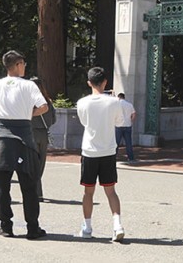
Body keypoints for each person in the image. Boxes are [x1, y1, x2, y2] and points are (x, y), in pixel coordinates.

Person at [0, 50, 48, 239]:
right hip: (23, 134)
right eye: (23, 64)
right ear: (17, 64)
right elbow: (44, 106)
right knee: (29, 184)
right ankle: (32, 227)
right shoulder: (29, 85)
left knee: (2, 186)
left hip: (3, 135)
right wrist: (27, 114)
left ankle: (6, 226)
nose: (25, 67)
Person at [76, 67, 126, 241]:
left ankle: (87, 227)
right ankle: (117, 225)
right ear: (105, 82)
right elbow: (120, 122)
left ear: (89, 83)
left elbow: (83, 122)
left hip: (89, 151)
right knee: (111, 191)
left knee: (88, 192)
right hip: (108, 151)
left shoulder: (82, 102)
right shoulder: (114, 102)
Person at [30, 77, 56, 201]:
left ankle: (35, 191)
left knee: (31, 164)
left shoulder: (29, 102)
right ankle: (38, 191)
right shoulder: (48, 101)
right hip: (44, 134)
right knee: (40, 164)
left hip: (31, 133)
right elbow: (54, 119)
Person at [114, 93, 136, 163]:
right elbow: (134, 114)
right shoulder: (129, 105)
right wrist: (131, 121)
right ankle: (131, 157)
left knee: (116, 143)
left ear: (118, 97)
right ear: (124, 97)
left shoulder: (116, 105)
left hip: (118, 125)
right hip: (128, 125)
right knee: (128, 142)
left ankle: (113, 157)